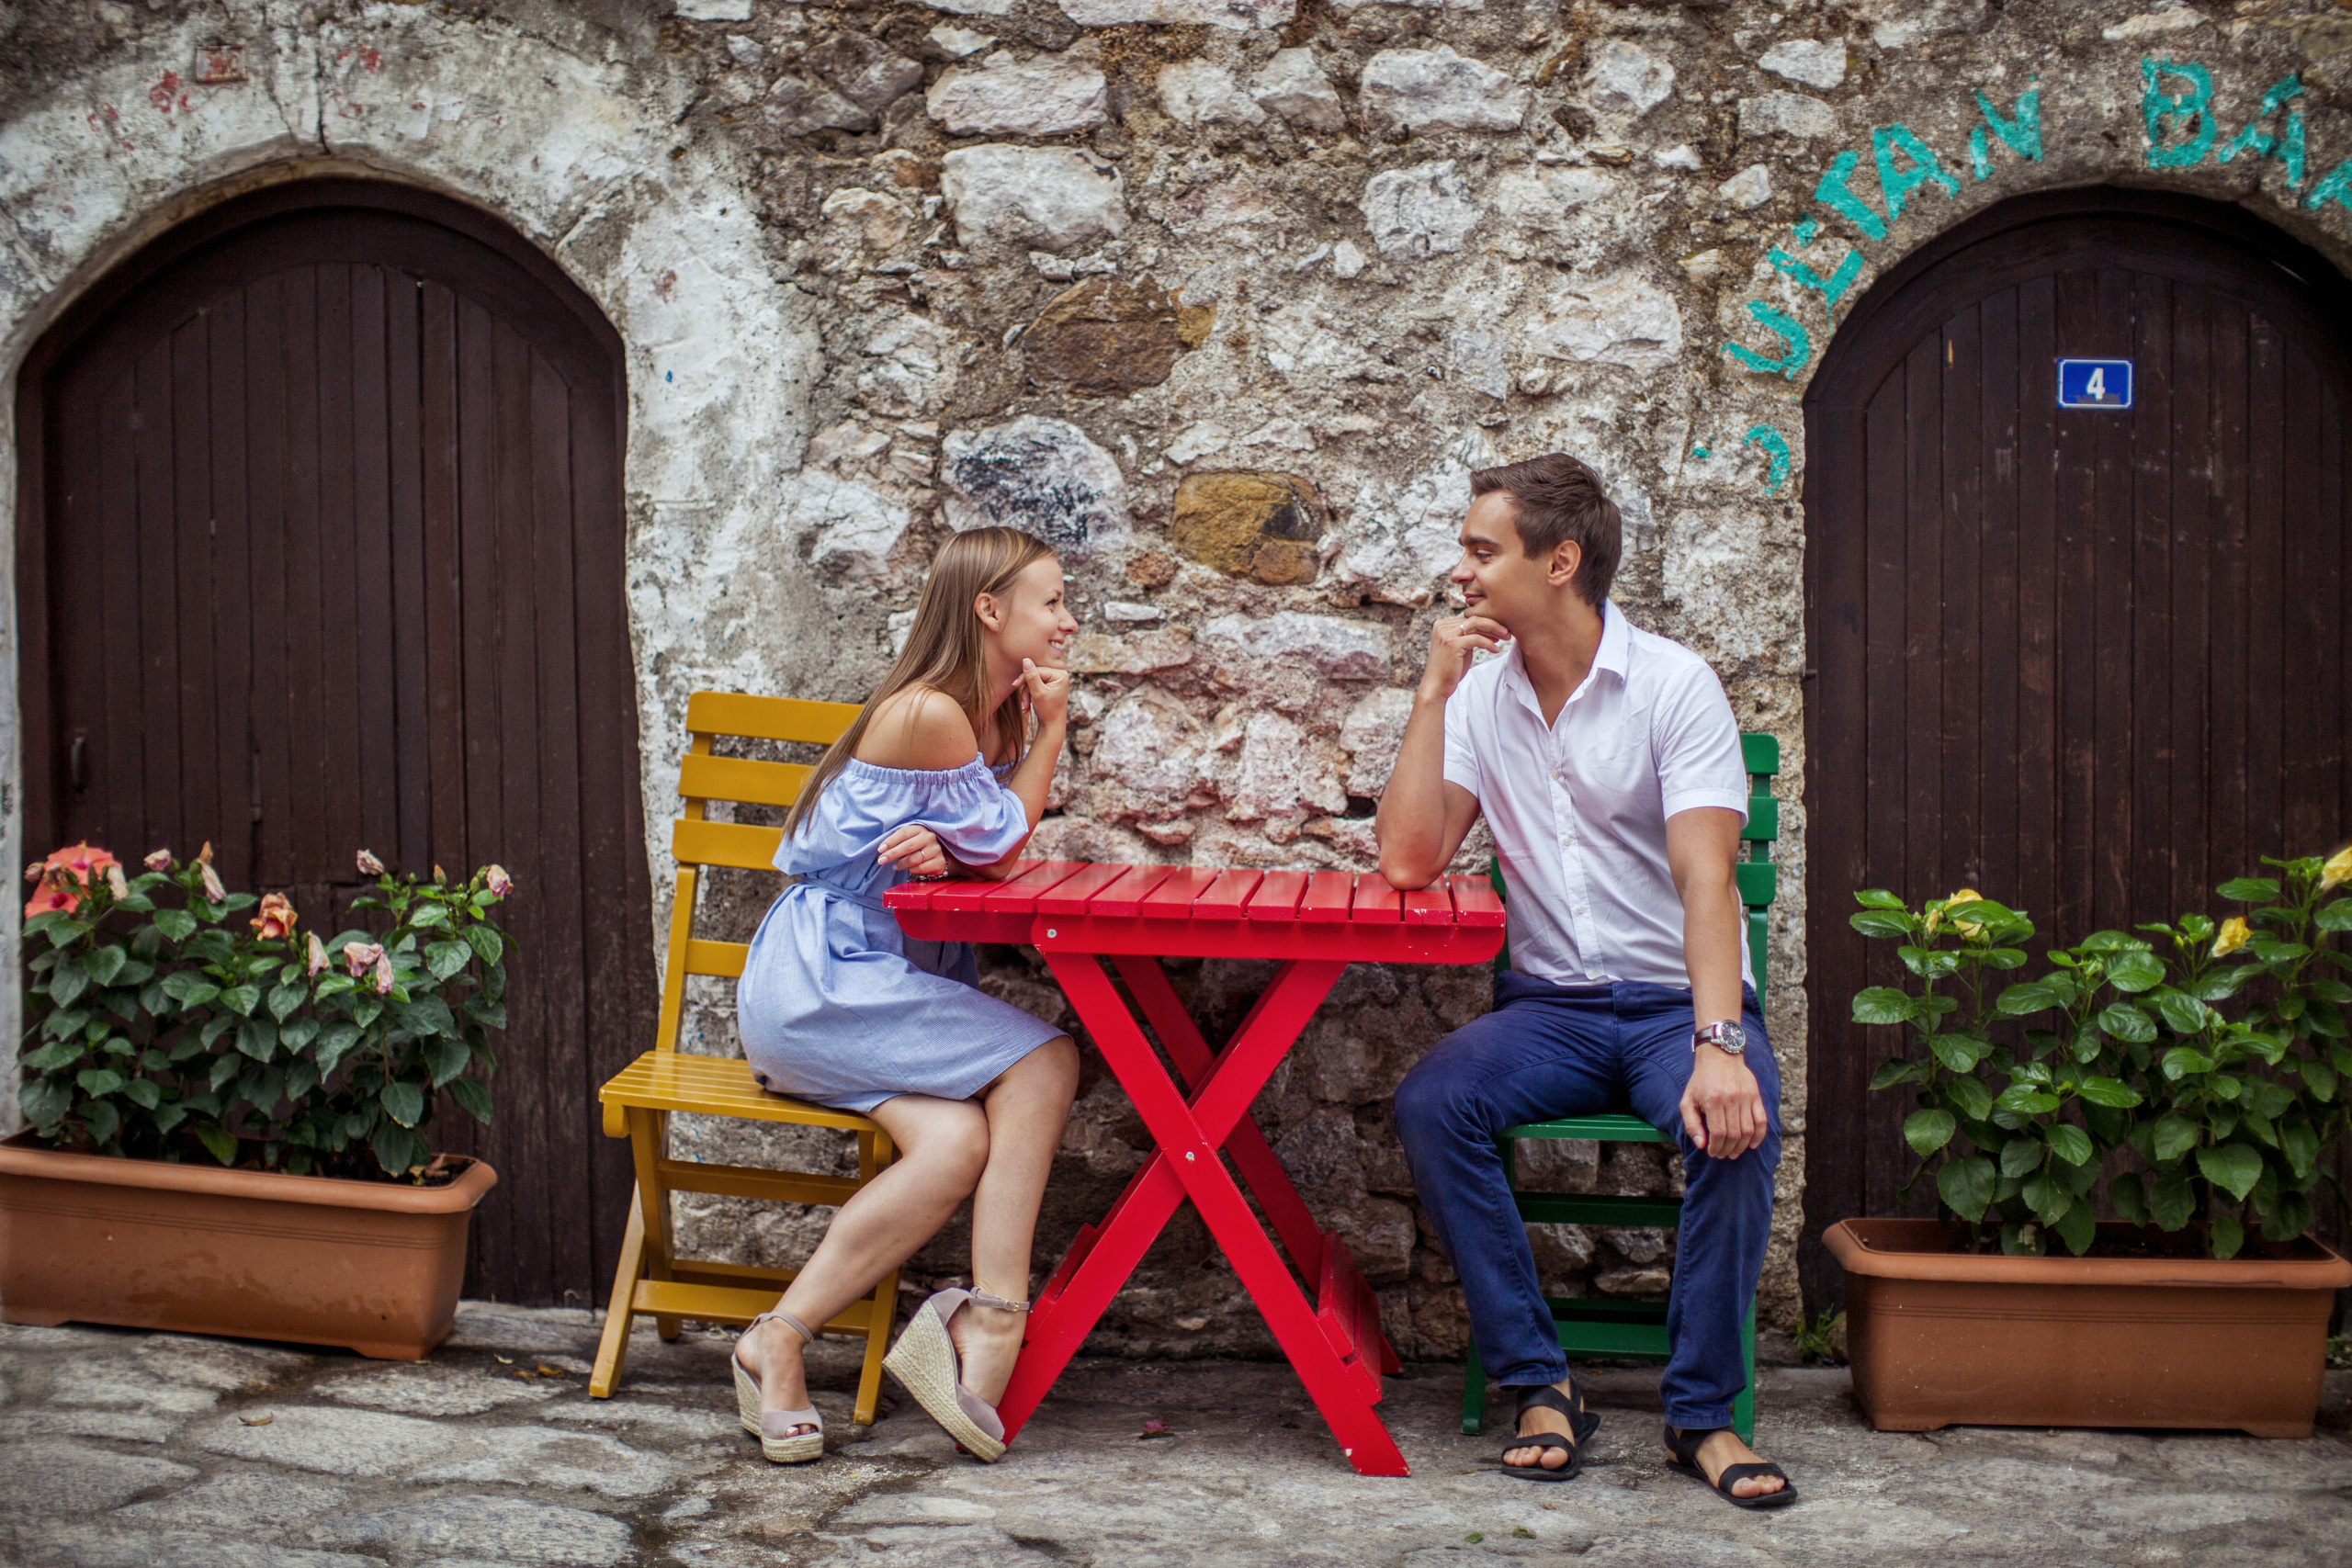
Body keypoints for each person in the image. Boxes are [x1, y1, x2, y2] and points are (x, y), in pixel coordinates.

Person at [1377, 455, 1796, 1508]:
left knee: (1736, 1126)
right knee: (1434, 1101)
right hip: (1552, 1013)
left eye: (1482, 551)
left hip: (1671, 1008)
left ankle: (1699, 1416)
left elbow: (1707, 881)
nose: (1461, 574)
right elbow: (1407, 861)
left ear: (1557, 561)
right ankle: (1539, 1382)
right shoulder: (1479, 696)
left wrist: (1719, 1047)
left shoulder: (1670, 684)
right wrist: (1432, 692)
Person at [729, 525, 1083, 1466]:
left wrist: (949, 844)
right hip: (825, 982)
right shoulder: (931, 712)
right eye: (1051, 602)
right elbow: (1004, 846)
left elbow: (976, 850)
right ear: (989, 610)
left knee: (960, 1138)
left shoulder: (982, 713)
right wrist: (1053, 733)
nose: (1067, 621)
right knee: (1047, 1060)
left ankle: (779, 1340)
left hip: (869, 983)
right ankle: (993, 1321)